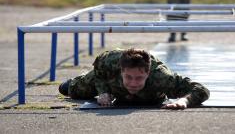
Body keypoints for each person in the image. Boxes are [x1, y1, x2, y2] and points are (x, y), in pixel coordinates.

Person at [59, 48, 209, 109]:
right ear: (121, 70)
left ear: (148, 73)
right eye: (129, 77)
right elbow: (99, 72)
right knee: (67, 89)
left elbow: (201, 89)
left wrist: (184, 100)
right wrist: (103, 91)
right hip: (111, 81)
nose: (133, 83)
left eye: (139, 78)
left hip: (150, 94)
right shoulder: (109, 61)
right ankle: (77, 80)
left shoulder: (162, 77)